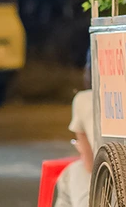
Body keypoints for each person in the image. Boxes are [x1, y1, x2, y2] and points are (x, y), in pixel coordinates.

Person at [54, 57, 95, 207]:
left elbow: (90, 164)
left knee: (71, 172)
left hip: (107, 193)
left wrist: (80, 146)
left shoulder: (84, 99)